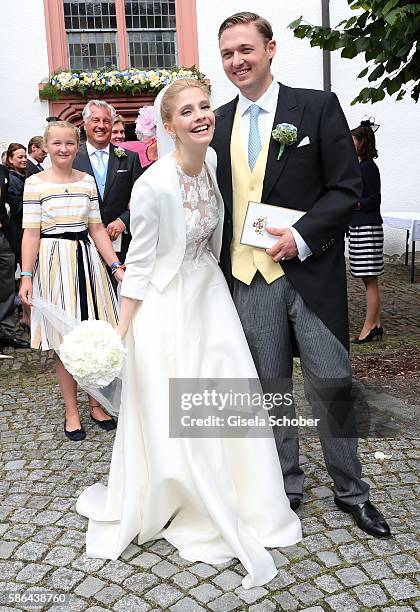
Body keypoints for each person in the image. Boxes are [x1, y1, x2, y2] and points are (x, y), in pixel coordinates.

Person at [76, 79, 302, 589]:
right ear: (170, 124)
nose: (201, 116)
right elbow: (138, 263)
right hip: (168, 305)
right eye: (187, 111)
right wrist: (122, 330)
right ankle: (185, 492)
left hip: (211, 296)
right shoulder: (153, 184)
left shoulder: (215, 165)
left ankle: (245, 492)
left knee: (229, 392)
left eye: (205, 106)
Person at [211, 12, 390, 538]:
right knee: (272, 393)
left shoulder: (315, 106)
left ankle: (351, 492)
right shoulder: (217, 122)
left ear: (270, 49)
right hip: (248, 280)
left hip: (311, 273)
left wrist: (303, 236)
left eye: (245, 49)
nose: (237, 61)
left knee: (331, 385)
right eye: (227, 54)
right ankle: (284, 487)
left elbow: (345, 187)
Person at [19, 121, 124, 441]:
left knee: (94, 337)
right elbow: (31, 233)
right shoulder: (34, 183)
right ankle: (72, 411)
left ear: (77, 147)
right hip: (53, 265)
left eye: (69, 143)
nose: (63, 149)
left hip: (87, 261)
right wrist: (26, 275)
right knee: (65, 343)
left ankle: (96, 404)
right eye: (57, 144)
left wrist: (117, 267)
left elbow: (96, 229)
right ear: (47, 147)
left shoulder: (87, 181)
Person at [73, 101, 141, 262]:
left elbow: (142, 199)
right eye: (96, 120)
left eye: (106, 121)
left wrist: (123, 221)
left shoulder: (129, 158)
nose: (101, 126)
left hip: (121, 244)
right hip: (82, 243)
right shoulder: (72, 158)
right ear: (84, 125)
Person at [349, 121, 383, 343]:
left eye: (353, 141)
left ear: (363, 143)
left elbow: (374, 199)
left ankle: (369, 327)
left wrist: (354, 204)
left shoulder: (368, 167)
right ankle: (377, 323)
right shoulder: (359, 165)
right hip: (359, 226)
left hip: (368, 227)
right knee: (365, 278)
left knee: (370, 280)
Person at [0, 163, 28, 350]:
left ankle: (6, 334)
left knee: (6, 286)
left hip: (4, 237)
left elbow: (8, 199)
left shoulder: (2, 171)